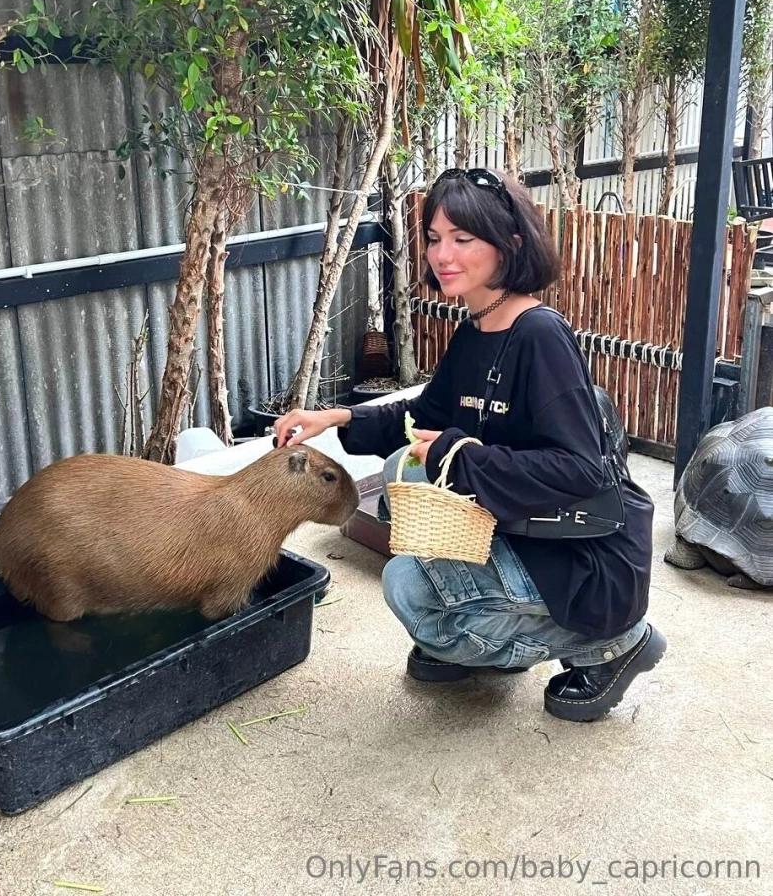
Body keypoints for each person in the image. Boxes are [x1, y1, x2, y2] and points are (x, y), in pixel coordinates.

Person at [274, 167, 666, 722]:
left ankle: (612, 645)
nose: (442, 255)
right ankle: (493, 637)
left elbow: (580, 471)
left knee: (409, 585)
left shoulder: (540, 336)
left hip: (581, 557)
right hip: (517, 527)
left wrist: (457, 453)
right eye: (435, 238)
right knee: (404, 479)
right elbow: (425, 415)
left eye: (463, 239)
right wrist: (335, 416)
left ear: (510, 244)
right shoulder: (476, 328)